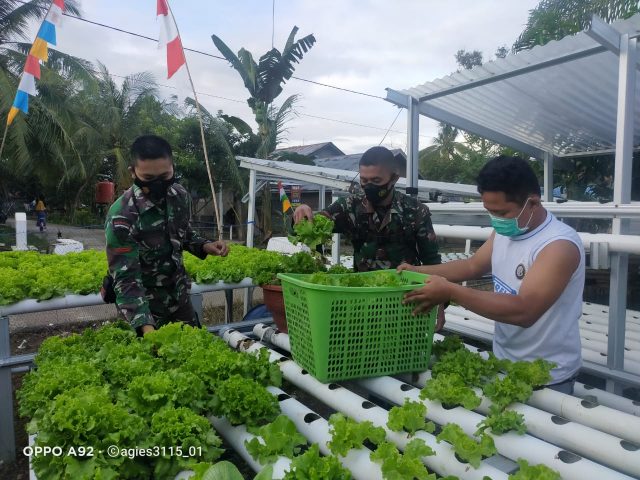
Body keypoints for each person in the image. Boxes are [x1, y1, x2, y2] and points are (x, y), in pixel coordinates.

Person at [400, 156, 585, 394]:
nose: (496, 220)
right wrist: (417, 270)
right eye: (490, 212)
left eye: (502, 212)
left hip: (548, 376)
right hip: (504, 361)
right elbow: (472, 266)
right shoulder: (508, 229)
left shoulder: (558, 245)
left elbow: (525, 310)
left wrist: (450, 291)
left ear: (532, 203)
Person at [293, 145, 445, 329]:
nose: (369, 186)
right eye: (364, 180)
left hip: (405, 302)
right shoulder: (350, 206)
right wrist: (301, 215)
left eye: (376, 180)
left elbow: (432, 259)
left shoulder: (415, 211)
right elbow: (312, 227)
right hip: (363, 303)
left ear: (394, 178)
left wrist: (440, 302)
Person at [105, 135, 228, 335]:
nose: (158, 184)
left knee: (192, 347)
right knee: (148, 353)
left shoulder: (179, 196)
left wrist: (205, 245)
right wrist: (147, 329)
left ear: (173, 168)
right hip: (142, 307)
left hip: (179, 298)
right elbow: (126, 279)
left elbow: (182, 232)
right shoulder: (123, 215)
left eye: (164, 176)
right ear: (133, 172)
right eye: (148, 179)